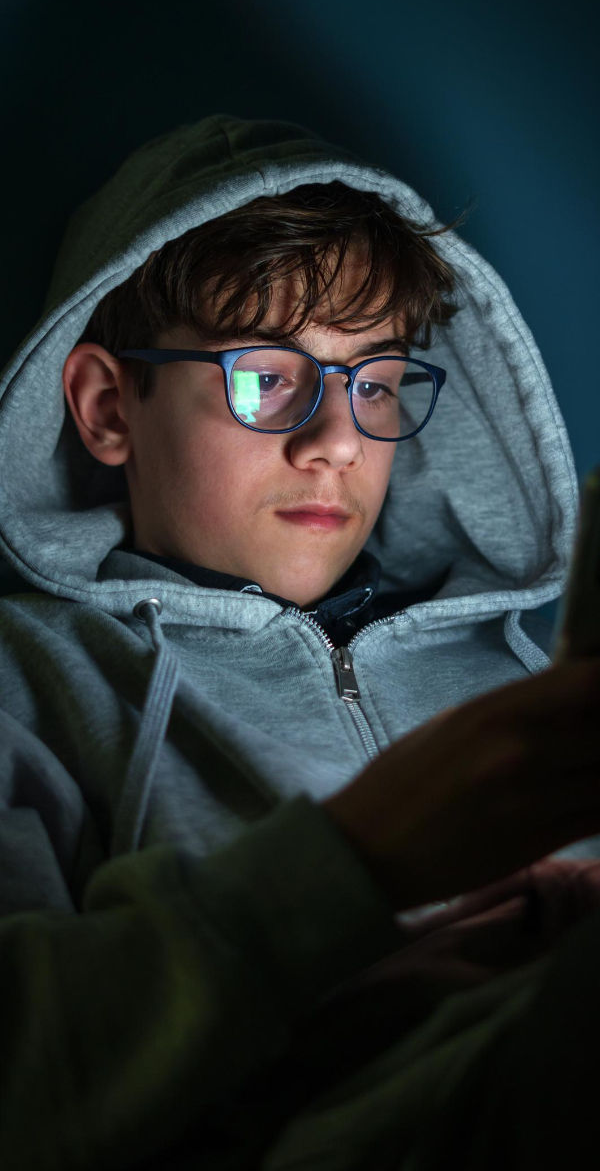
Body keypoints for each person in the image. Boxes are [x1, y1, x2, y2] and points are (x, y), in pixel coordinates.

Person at [1, 113, 599, 1170]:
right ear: (107, 407)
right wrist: (351, 868)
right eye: (265, 376)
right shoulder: (29, 686)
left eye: (373, 383)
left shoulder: (523, 678)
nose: (334, 442)